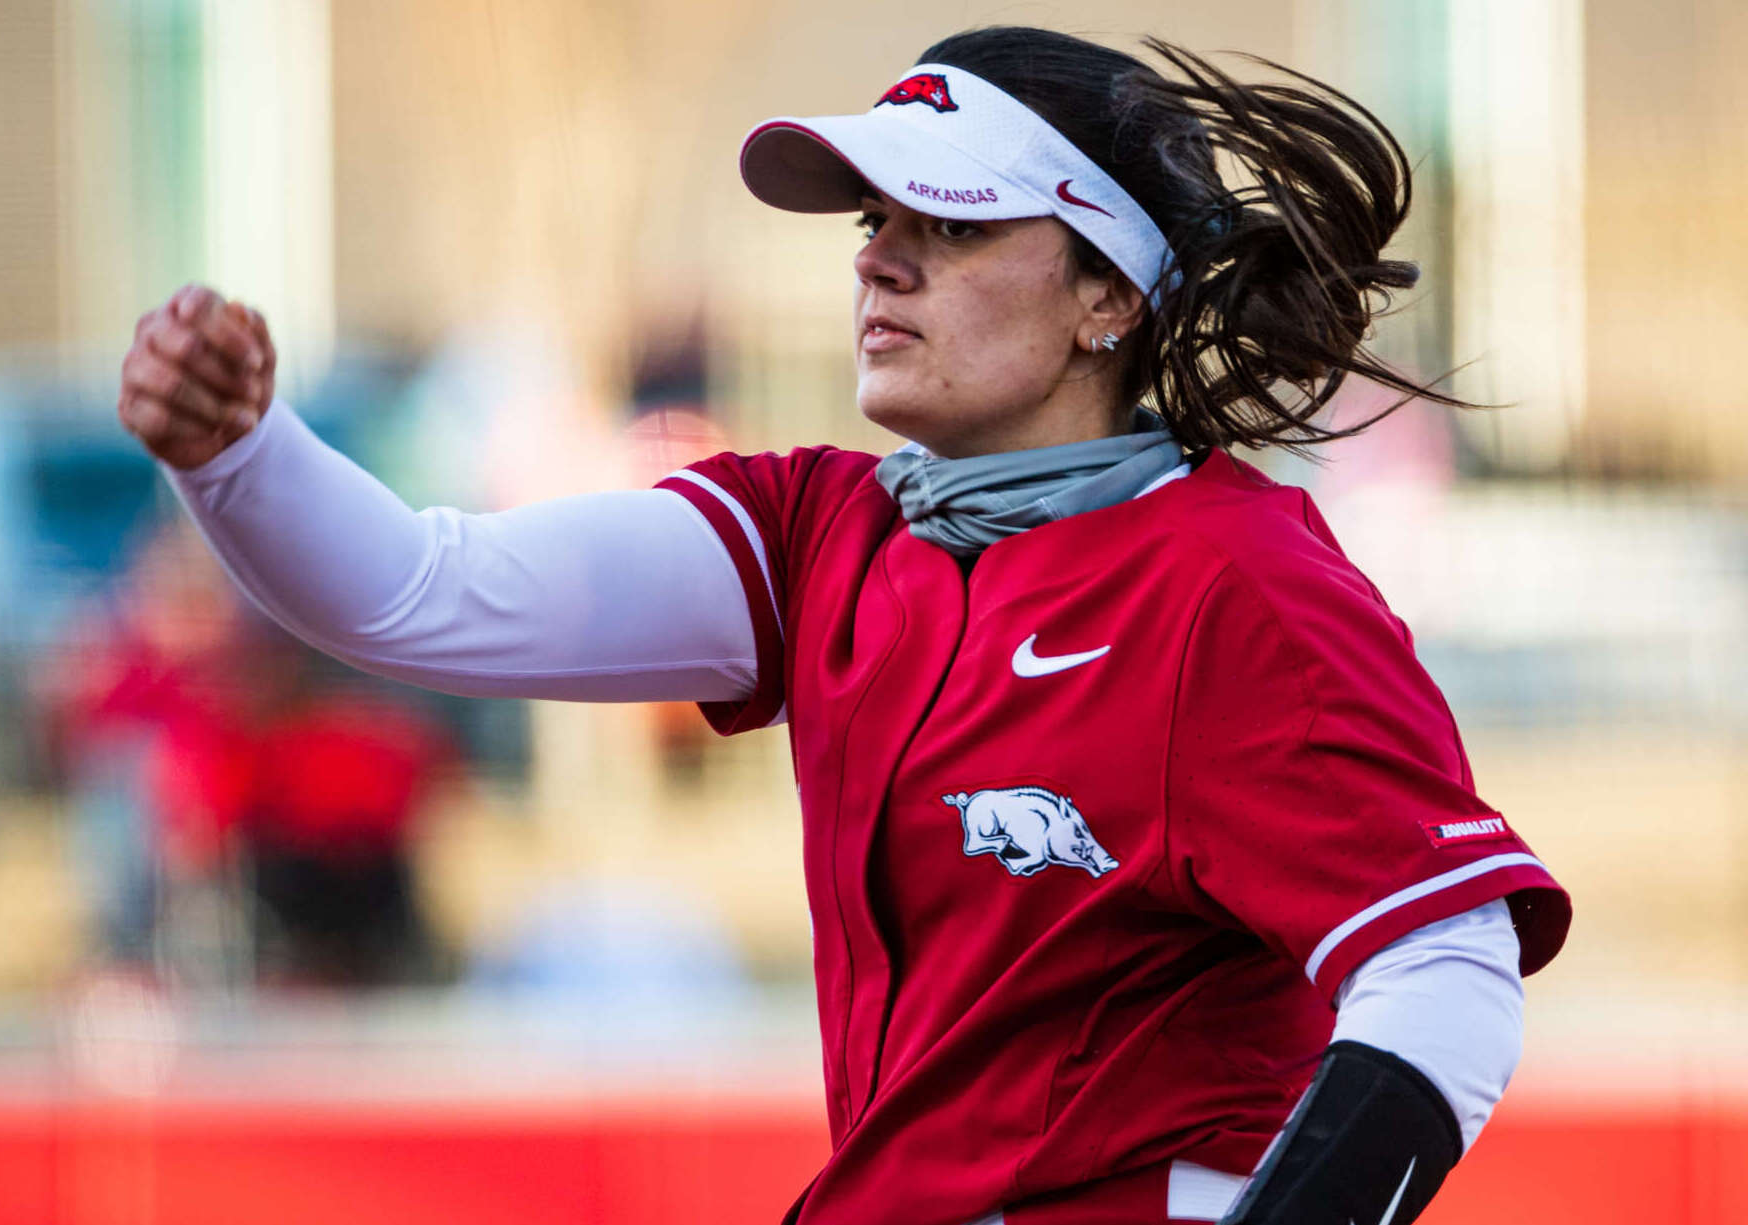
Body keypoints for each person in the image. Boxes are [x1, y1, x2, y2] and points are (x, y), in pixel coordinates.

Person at [116, 27, 1570, 1225]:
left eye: (948, 220)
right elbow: (414, 592)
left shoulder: (1234, 582)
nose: (878, 258)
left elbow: (1449, 972)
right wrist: (236, 451)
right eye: (877, 219)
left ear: (1108, 297)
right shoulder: (825, 530)